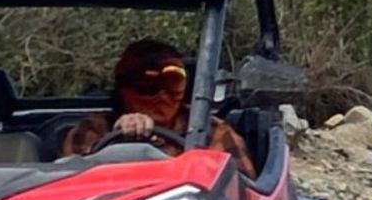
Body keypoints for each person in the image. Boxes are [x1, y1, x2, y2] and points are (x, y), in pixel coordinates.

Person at [62, 39, 256, 178]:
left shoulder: (211, 132)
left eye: (173, 82)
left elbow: (239, 192)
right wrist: (119, 141)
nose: (162, 95)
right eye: (146, 83)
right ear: (124, 88)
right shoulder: (92, 130)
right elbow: (65, 188)